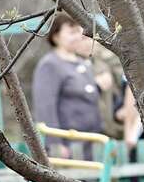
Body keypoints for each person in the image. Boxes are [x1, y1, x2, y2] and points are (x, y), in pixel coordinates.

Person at [30, 14, 106, 159]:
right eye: (72, 32)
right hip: (69, 146)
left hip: (92, 142)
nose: (78, 36)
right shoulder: (50, 65)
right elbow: (45, 108)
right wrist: (55, 143)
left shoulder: (83, 62)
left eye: (79, 31)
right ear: (55, 36)